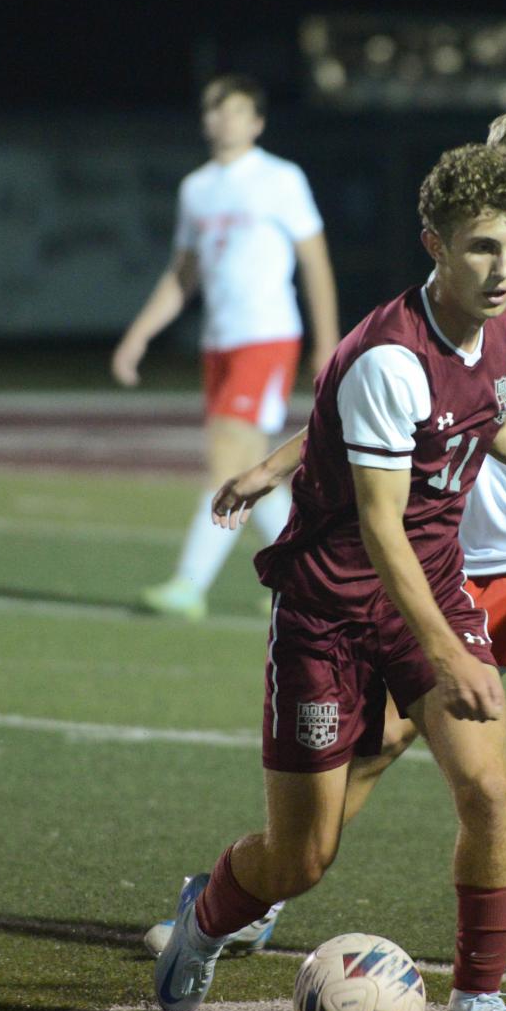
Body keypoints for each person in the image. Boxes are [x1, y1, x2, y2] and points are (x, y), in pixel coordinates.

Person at [144, 144, 506, 1011]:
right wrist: (447, 654)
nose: (505, 270)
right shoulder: (388, 361)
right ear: (433, 244)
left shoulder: (501, 326)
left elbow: (500, 422)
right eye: (484, 248)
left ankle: (477, 999)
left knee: (487, 789)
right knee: (304, 857)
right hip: (330, 614)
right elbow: (378, 530)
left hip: (432, 590)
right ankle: (208, 916)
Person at [111, 74, 339, 620]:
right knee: (246, 466)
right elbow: (182, 276)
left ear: (256, 122)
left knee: (225, 461)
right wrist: (139, 335)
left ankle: (189, 585)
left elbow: (314, 260)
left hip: (266, 336)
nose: (224, 119)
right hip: (220, 344)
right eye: (216, 110)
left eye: (236, 110)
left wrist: (327, 340)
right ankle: (310, 580)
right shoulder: (196, 188)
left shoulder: (280, 178)